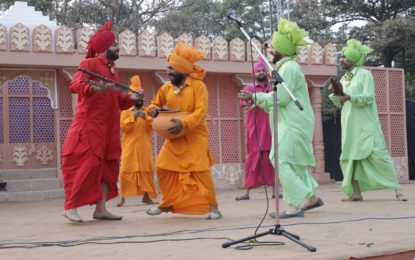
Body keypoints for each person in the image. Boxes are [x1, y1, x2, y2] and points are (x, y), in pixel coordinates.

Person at [239, 19, 324, 218]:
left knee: (281, 160)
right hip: (293, 121)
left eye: (274, 48)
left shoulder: (288, 69)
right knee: (293, 163)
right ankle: (310, 198)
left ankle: (294, 205)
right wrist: (257, 99)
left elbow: (282, 98)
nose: (271, 51)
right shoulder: (286, 67)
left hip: (294, 123)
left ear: (282, 50)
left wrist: (255, 96)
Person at [61, 21, 144, 222]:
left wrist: (132, 99)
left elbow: (117, 100)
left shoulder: (114, 70)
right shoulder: (89, 65)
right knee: (86, 164)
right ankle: (70, 207)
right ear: (104, 47)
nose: (118, 47)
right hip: (90, 125)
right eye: (115, 44)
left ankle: (101, 209)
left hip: (110, 127)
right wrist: (95, 89)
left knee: (108, 166)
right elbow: (75, 85)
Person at [146, 43, 221, 220]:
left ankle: (213, 207)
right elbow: (153, 104)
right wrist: (153, 111)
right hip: (174, 136)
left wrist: (185, 123)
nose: (169, 71)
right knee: (162, 166)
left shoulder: (198, 86)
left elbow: (201, 112)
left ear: (182, 69)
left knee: (200, 171)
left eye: (172, 69)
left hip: (195, 135)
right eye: (169, 68)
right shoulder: (166, 88)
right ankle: (169, 203)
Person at [329, 39, 408, 202]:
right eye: (341, 56)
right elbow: (340, 103)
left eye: (344, 56)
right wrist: (336, 94)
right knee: (350, 159)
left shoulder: (365, 75)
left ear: (353, 58)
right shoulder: (344, 79)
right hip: (350, 126)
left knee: (380, 156)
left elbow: (369, 97)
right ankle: (356, 193)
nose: (341, 59)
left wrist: (350, 97)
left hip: (367, 125)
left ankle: (398, 190)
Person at [235, 57, 275, 201]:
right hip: (255, 130)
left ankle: (275, 191)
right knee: (252, 160)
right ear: (254, 73)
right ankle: (246, 193)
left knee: (273, 159)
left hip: (270, 129)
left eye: (263, 70)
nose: (261, 72)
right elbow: (245, 103)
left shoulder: (271, 89)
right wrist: (250, 101)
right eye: (258, 70)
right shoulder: (249, 88)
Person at [117, 75, 157, 207]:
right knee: (125, 171)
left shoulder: (146, 111)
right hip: (130, 147)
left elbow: (152, 127)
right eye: (137, 98)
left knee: (147, 171)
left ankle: (147, 197)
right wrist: (133, 117)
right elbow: (124, 128)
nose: (139, 100)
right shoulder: (126, 112)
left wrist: (145, 118)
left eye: (141, 98)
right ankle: (122, 198)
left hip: (144, 147)